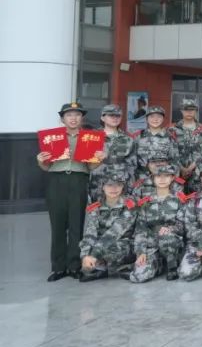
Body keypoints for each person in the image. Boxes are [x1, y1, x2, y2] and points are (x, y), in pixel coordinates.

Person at [37, 101, 103, 281]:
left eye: (77, 115)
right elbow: (46, 166)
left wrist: (99, 159)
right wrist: (40, 160)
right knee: (57, 225)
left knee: (76, 224)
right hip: (56, 180)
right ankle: (58, 267)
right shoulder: (52, 138)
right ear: (62, 119)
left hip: (78, 180)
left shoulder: (89, 138)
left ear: (82, 118)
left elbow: (90, 167)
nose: (73, 118)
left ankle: (74, 266)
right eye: (69, 115)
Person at [78, 165, 136, 281]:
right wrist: (85, 255)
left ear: (123, 186)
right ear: (102, 187)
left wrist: (93, 255)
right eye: (109, 185)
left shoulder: (129, 205)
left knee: (113, 249)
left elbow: (115, 232)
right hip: (101, 245)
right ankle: (100, 266)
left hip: (124, 244)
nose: (114, 188)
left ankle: (113, 266)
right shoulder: (96, 207)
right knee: (84, 246)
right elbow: (90, 233)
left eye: (118, 185)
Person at [130, 164, 186, 283]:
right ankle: (158, 265)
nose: (162, 179)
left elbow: (183, 225)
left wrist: (170, 229)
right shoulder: (145, 202)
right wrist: (140, 252)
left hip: (172, 243)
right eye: (158, 176)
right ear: (153, 178)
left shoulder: (179, 199)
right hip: (151, 244)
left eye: (166, 176)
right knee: (138, 276)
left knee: (167, 237)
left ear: (172, 178)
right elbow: (141, 229)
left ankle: (172, 267)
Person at [91, 103, 137, 199]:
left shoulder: (128, 139)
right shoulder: (92, 137)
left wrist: (130, 186)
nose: (115, 118)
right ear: (102, 118)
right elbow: (84, 164)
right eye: (111, 115)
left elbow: (132, 166)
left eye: (118, 116)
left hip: (119, 185)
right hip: (97, 184)